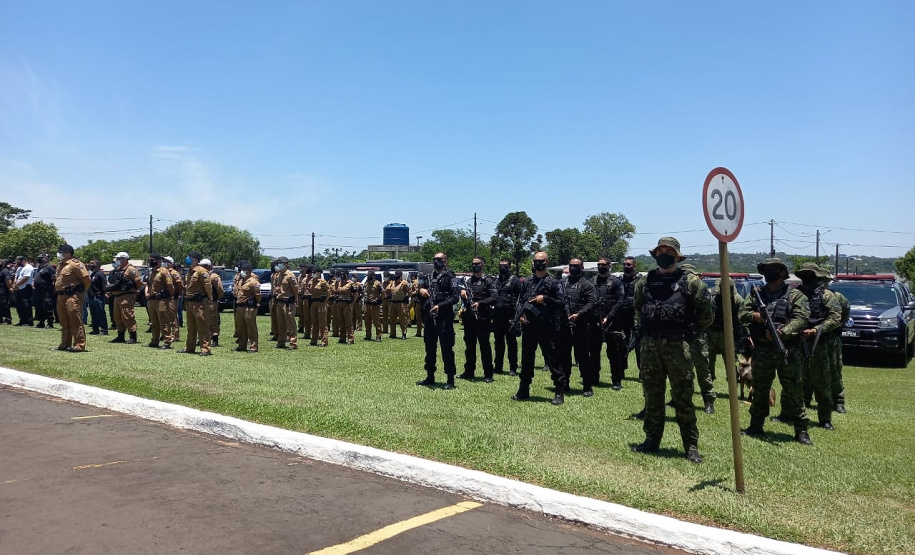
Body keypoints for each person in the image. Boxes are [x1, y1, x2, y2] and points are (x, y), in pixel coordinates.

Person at [632, 237, 712, 463]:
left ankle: (691, 446)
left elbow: (707, 314)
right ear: (655, 255)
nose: (664, 254)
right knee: (652, 396)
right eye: (660, 251)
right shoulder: (644, 282)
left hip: (678, 347)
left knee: (683, 397)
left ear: (677, 256)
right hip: (650, 347)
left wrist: (689, 333)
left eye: (669, 251)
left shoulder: (691, 282)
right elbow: (638, 308)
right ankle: (652, 440)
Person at [738, 258, 812, 445]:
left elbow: (802, 318)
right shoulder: (757, 293)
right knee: (760, 388)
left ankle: (801, 429)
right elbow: (742, 313)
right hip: (762, 350)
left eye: (772, 270)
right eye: (766, 270)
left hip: (787, 349)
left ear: (781, 273)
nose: (768, 273)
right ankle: (756, 424)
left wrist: (782, 332)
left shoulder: (795, 295)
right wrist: (757, 316)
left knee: (794, 389)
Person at [512, 252, 566, 405]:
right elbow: (520, 300)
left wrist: (545, 299)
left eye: (541, 261)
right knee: (527, 359)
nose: (539, 264)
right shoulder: (527, 281)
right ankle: (523, 390)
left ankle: (559, 392)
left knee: (553, 359)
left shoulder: (554, 282)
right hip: (530, 326)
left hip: (547, 326)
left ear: (547, 262)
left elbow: (561, 303)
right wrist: (520, 315)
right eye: (536, 261)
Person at [795, 262, 842, 431]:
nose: (806, 278)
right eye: (804, 275)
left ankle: (825, 418)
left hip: (818, 344)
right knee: (795, 381)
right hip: (797, 342)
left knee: (822, 382)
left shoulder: (826, 295)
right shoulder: (795, 294)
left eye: (809, 275)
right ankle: (790, 413)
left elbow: (836, 317)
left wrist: (816, 330)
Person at [416, 252, 459, 389]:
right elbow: (418, 291)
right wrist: (421, 291)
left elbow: (455, 297)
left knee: (446, 348)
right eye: (435, 259)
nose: (437, 262)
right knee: (429, 348)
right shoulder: (427, 277)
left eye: (440, 259)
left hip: (444, 317)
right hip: (429, 317)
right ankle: (430, 376)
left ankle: (450, 379)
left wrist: (440, 306)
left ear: (446, 261)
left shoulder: (450, 277)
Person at [704, 277, 745, 413]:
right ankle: (709, 393)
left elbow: (742, 319)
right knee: (708, 364)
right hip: (710, 333)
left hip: (728, 335)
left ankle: (735, 391)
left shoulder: (737, 299)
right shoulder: (711, 296)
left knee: (730, 365)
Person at [679, 263, 715, 415]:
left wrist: (697, 329)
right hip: (681, 334)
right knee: (682, 370)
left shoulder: (700, 287)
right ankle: (679, 399)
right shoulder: (678, 287)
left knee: (702, 370)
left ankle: (708, 401)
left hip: (697, 335)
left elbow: (708, 315)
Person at [561, 257, 598, 398]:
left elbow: (592, 302)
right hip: (564, 325)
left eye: (576, 266)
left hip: (581, 325)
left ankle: (587, 386)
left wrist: (579, 314)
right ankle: (565, 383)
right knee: (564, 357)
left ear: (582, 268)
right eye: (571, 265)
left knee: (583, 358)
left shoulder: (587, 284)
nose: (573, 268)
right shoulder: (562, 283)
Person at [458, 257, 498, 382]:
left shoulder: (488, 280)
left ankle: (488, 374)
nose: (475, 266)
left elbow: (495, 297)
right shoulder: (469, 281)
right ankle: (469, 371)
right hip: (470, 317)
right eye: (473, 264)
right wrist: (463, 294)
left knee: (484, 346)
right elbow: (464, 297)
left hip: (483, 317)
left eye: (477, 264)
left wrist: (480, 303)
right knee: (469, 346)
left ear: (483, 264)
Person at [591, 256, 624, 388]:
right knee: (593, 352)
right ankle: (594, 378)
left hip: (612, 322)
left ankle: (616, 381)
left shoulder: (616, 282)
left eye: (603, 264)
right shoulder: (592, 281)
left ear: (609, 265)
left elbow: (620, 301)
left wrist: (608, 317)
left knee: (613, 353)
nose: (600, 266)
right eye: (599, 264)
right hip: (595, 321)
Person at [52, 245, 91, 352]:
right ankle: (65, 343)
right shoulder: (61, 265)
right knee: (64, 321)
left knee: (75, 320)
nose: (59, 254)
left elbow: (86, 279)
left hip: (72, 296)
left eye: (61, 252)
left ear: (68, 253)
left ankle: (79, 344)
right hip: (61, 296)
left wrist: (81, 291)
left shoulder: (75, 264)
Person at [178, 251, 213, 356]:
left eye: (190, 257)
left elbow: (208, 286)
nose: (187, 259)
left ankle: (205, 348)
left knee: (202, 326)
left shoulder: (202, 271)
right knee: (191, 327)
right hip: (190, 302)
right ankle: (190, 347)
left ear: (196, 260)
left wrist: (208, 297)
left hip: (200, 303)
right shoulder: (190, 271)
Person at [492, 258, 522, 376]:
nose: (502, 267)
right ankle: (498, 366)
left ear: (509, 267)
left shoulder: (515, 281)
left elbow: (521, 297)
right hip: (498, 314)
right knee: (498, 342)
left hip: (510, 314)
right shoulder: (495, 280)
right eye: (500, 265)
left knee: (511, 342)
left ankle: (513, 367)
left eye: (504, 266)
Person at [107, 251, 143, 344]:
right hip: (117, 296)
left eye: (119, 258)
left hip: (127, 295)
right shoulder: (118, 269)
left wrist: (136, 291)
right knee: (117, 317)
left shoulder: (131, 269)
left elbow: (138, 282)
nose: (117, 260)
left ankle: (133, 336)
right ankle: (120, 336)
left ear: (125, 259)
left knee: (128, 316)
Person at [828, 282, 850, 414]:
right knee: (805, 372)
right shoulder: (803, 295)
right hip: (809, 338)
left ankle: (838, 402)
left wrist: (838, 326)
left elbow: (846, 312)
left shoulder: (837, 296)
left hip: (831, 339)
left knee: (835, 371)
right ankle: (805, 400)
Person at [145, 253, 175, 349]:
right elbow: (149, 285)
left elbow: (170, 287)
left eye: (152, 260)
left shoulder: (164, 272)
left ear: (158, 261)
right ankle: (154, 340)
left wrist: (169, 297)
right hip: (152, 300)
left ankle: (167, 342)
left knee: (164, 322)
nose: (150, 262)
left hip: (162, 300)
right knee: (154, 322)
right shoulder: (152, 272)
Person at [233, 260, 261, 353]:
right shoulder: (241, 281)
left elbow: (257, 295)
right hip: (239, 306)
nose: (242, 272)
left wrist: (256, 304)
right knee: (241, 328)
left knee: (251, 327)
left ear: (249, 271)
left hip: (248, 308)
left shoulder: (253, 281)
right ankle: (242, 345)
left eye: (244, 270)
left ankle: (253, 346)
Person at [272, 256, 299, 349]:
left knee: (290, 324)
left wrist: (295, 300)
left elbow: (295, 289)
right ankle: (281, 342)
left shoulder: (290, 275)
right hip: (279, 302)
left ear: (286, 264)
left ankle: (293, 343)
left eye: (280, 263)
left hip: (288, 303)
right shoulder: (279, 274)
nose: (278, 265)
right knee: (281, 324)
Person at [199, 259, 223, 346]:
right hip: (203, 301)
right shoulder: (201, 274)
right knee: (202, 320)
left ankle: (215, 339)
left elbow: (220, 289)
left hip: (211, 301)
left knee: (213, 321)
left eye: (203, 266)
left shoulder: (213, 276)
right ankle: (203, 338)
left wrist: (215, 298)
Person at [84, 259, 109, 335]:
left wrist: (106, 293)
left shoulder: (100, 274)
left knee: (101, 313)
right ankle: (95, 329)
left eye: (92, 263)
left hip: (98, 296)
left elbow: (104, 285)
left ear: (97, 265)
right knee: (93, 314)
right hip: (91, 297)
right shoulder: (92, 274)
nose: (90, 264)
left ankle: (104, 330)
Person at [332, 269, 356, 345]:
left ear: (346, 274)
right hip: (339, 303)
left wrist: (352, 303)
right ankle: (342, 338)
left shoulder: (351, 283)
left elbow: (355, 295)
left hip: (347, 304)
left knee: (348, 322)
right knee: (341, 321)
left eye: (343, 274)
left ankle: (350, 338)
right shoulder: (339, 283)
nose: (341, 276)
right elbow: (334, 291)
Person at [32, 253, 56, 329]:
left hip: (46, 291)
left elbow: (53, 279)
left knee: (47, 307)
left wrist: (53, 289)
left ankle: (50, 323)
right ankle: (41, 322)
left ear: (46, 259)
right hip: (38, 290)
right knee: (39, 307)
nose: (39, 259)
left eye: (41, 258)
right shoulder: (39, 268)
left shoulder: (49, 268)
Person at [387, 270, 412, 340]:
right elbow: (387, 289)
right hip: (393, 303)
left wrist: (406, 298)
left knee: (402, 319)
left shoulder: (404, 283)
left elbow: (410, 292)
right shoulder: (392, 283)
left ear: (401, 276)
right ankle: (392, 333)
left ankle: (404, 333)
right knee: (392, 319)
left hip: (401, 303)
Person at [164, 256, 183, 345]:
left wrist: (177, 294)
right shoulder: (162, 272)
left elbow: (180, 285)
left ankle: (175, 335)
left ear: (171, 263)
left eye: (166, 261)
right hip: (164, 298)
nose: (164, 263)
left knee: (172, 316)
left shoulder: (174, 273)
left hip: (172, 298)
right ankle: (165, 334)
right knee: (164, 316)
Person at [308, 267, 330, 347]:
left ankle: (324, 341)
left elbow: (328, 293)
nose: (313, 273)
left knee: (322, 323)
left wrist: (324, 301)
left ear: (319, 273)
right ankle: (313, 340)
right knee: (314, 323)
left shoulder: (323, 282)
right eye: (312, 272)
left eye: (315, 272)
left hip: (321, 303)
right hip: (313, 303)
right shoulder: (311, 281)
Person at [362, 270, 384, 341]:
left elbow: (383, 293)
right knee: (367, 321)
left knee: (376, 321)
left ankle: (378, 336)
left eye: (369, 276)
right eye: (368, 276)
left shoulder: (378, 284)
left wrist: (379, 300)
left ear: (373, 276)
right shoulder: (366, 283)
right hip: (367, 304)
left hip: (374, 305)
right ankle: (368, 335)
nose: (368, 277)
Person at [13, 255, 35, 326]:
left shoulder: (28, 267)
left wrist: (16, 285)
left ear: (23, 261)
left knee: (26, 305)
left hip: (25, 288)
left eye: (18, 261)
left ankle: (28, 321)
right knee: (19, 305)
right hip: (19, 288)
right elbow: (16, 276)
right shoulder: (19, 268)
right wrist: (14, 284)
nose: (17, 263)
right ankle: (22, 320)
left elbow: (25, 278)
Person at [297, 263, 312, 339]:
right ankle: (301, 327)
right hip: (299, 297)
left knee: (307, 315)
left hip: (307, 297)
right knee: (300, 313)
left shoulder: (308, 277)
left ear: (305, 268)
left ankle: (309, 329)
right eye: (299, 268)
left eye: (302, 268)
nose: (301, 270)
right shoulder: (299, 277)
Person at [409, 272, 424, 337]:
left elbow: (416, 291)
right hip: (417, 302)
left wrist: (412, 293)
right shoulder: (418, 283)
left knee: (420, 318)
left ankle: (420, 331)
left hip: (420, 302)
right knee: (418, 318)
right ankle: (418, 332)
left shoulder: (418, 283)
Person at [0, 259, 14, 324]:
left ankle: (8, 319)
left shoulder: (5, 271)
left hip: (3, 291)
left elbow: (8, 281)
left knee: (4, 305)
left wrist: (10, 287)